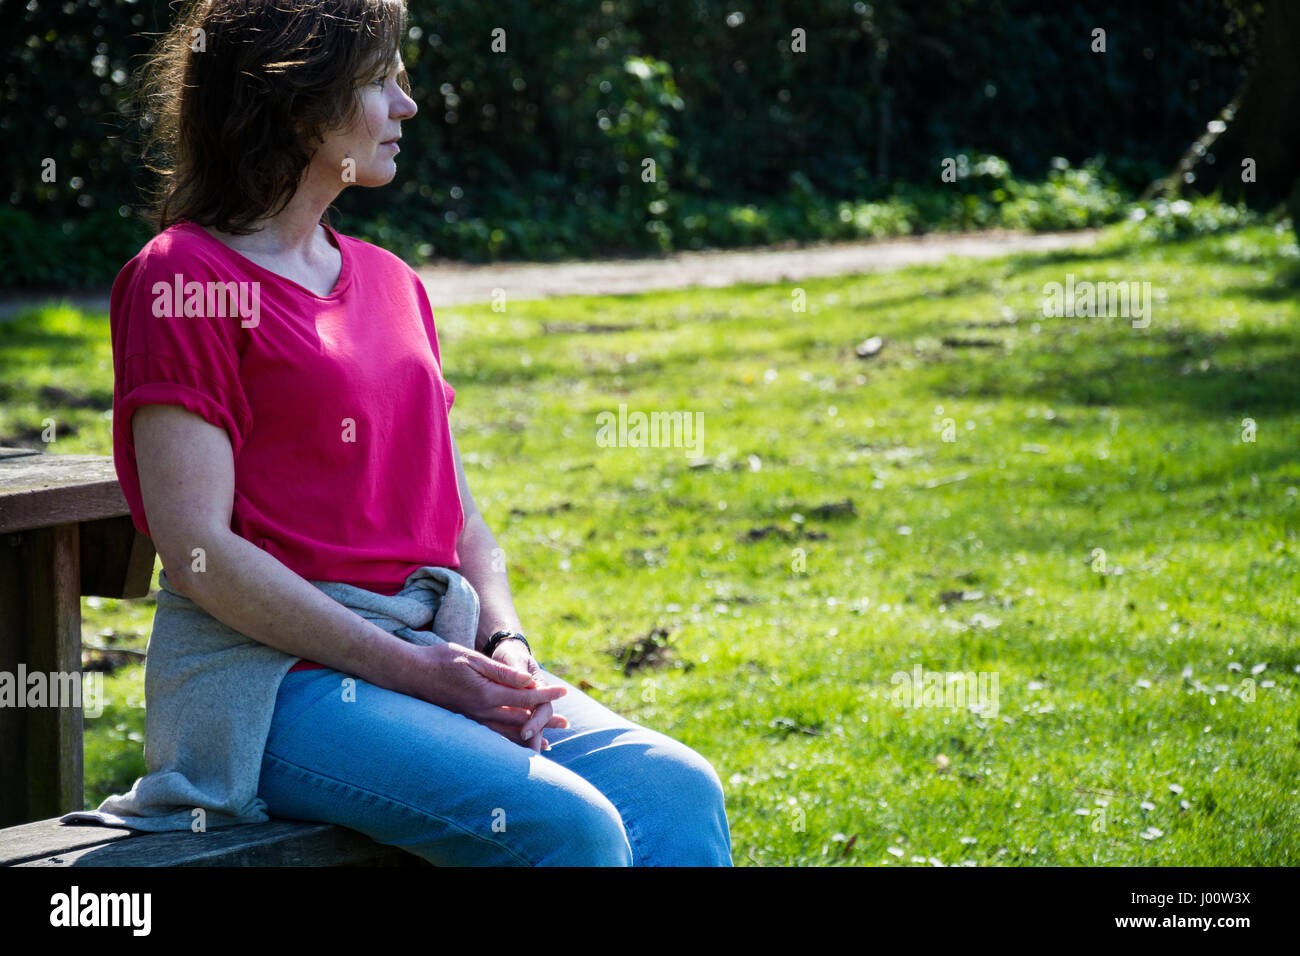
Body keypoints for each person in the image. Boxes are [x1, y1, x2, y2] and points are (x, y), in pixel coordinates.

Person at [82, 0, 732, 866]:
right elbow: (197, 547)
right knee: (566, 829)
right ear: (302, 101)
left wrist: (505, 646)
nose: (407, 105)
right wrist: (413, 670)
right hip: (272, 680)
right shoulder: (182, 278)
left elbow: (460, 521)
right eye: (382, 80)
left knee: (677, 790)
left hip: (433, 651)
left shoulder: (391, 282)